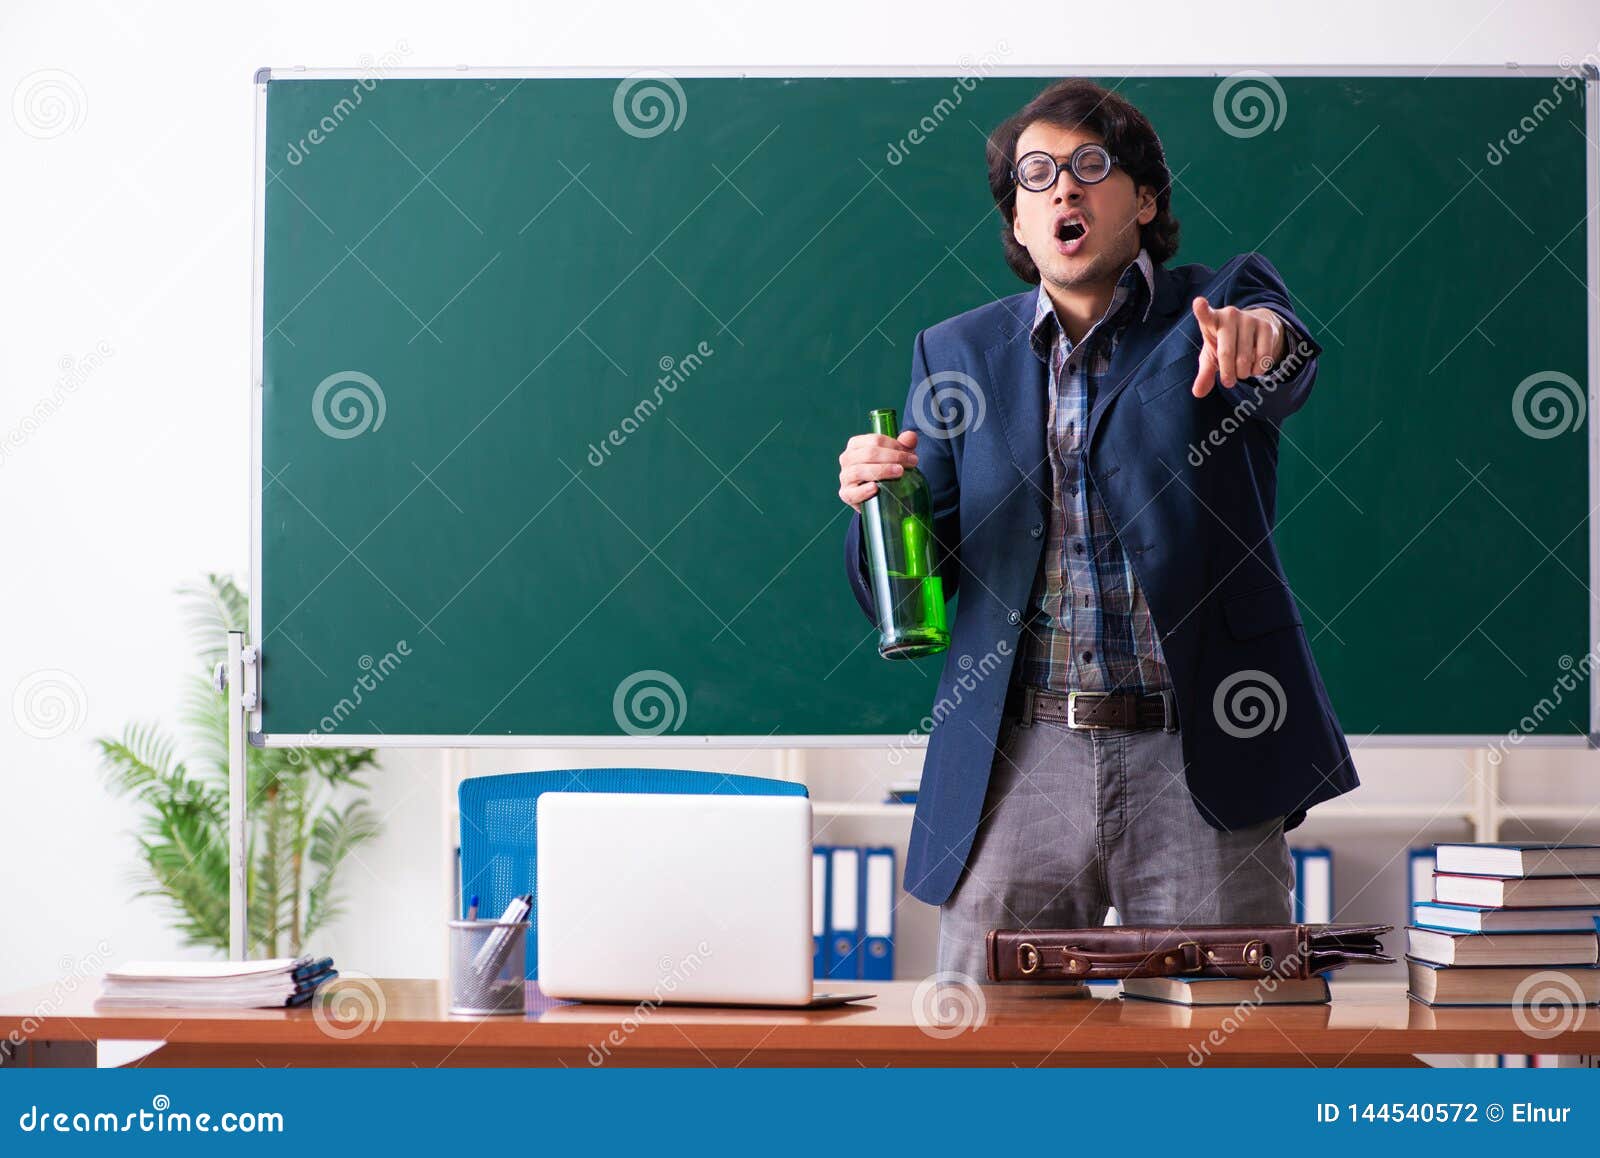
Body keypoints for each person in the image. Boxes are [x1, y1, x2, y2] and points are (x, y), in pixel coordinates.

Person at [837, 78, 1357, 978]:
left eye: (1091, 166)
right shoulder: (956, 354)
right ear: (1020, 222)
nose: (1063, 189)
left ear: (1144, 200)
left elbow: (1284, 355)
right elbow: (926, 569)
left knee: (1234, 1050)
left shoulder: (1216, 306)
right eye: (1037, 176)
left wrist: (1260, 339)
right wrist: (881, 502)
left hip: (1200, 757)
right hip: (1019, 759)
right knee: (987, 1055)